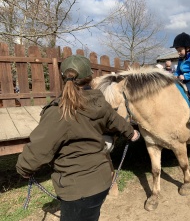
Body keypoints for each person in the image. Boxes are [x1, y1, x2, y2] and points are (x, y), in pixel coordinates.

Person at [16, 55, 140, 221]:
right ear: (90, 78)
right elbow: (115, 120)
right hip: (102, 182)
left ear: (63, 78)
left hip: (78, 190)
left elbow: (39, 148)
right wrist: (132, 133)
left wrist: (24, 169)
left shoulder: (60, 112)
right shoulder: (99, 102)